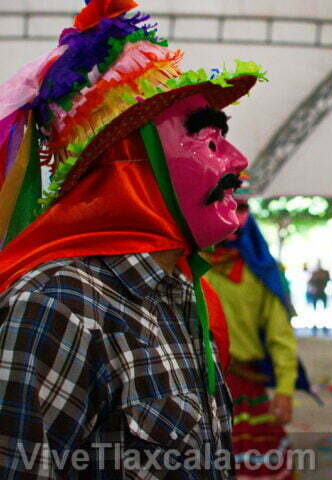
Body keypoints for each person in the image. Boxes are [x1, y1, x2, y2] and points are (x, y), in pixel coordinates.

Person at [0, 1, 265, 476]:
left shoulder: (183, 291)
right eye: (209, 141)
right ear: (133, 167)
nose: (237, 160)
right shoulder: (58, 306)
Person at [204, 185, 300, 479]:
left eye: (242, 207)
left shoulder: (263, 272)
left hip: (246, 389)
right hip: (194, 389)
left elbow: (280, 335)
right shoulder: (185, 265)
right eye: (225, 203)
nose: (233, 213)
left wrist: (284, 391)